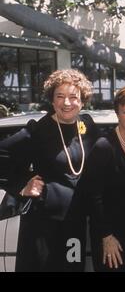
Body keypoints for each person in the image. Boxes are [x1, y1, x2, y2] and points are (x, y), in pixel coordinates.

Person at [0, 69, 99, 271]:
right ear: (52, 100)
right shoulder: (37, 130)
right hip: (43, 224)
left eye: (73, 97)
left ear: (82, 101)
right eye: (60, 96)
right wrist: (22, 185)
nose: (67, 103)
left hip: (75, 223)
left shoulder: (88, 126)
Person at [76, 86, 125, 272]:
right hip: (111, 238)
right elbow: (93, 196)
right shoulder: (104, 147)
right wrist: (106, 236)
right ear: (117, 113)